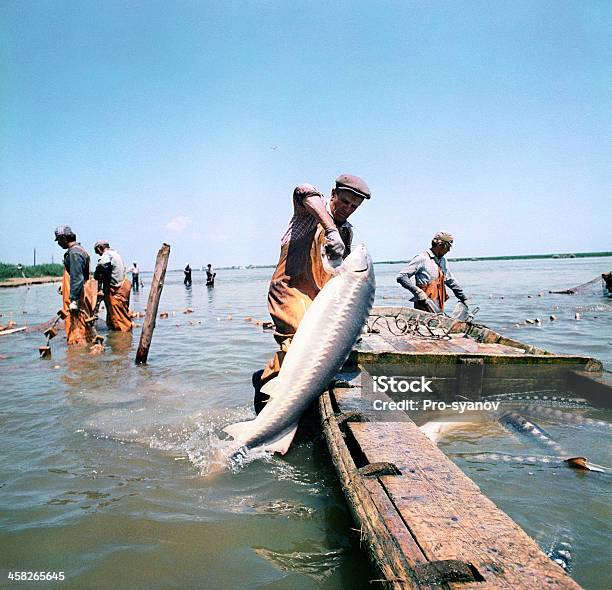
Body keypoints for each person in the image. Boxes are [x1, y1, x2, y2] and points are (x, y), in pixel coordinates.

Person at [254, 174, 371, 413]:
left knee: (324, 352)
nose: (348, 209)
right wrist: (330, 230)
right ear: (332, 194)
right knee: (297, 347)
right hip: (290, 291)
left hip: (321, 297)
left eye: (354, 206)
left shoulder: (347, 232)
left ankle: (294, 405)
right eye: (345, 201)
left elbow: (343, 277)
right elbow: (303, 190)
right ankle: (264, 400)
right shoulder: (308, 211)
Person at [396, 231, 468, 313]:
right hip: (423, 305)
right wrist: (417, 292)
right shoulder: (422, 258)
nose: (448, 250)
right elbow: (402, 277)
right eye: (448, 247)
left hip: (439, 305)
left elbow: (450, 280)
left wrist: (463, 297)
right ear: (440, 245)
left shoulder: (443, 260)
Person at [54, 225, 98, 344]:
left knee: (77, 330)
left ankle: (78, 358)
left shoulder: (74, 253)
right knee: (83, 327)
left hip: (78, 296)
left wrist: (74, 300)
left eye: (58, 240)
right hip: (80, 292)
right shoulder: (79, 250)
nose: (58, 243)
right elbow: (75, 275)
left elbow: (77, 277)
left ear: (64, 238)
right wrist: (63, 286)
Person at [93, 241, 132, 332]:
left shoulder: (107, 255)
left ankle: (122, 342)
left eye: (97, 252)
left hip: (116, 290)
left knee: (120, 320)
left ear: (100, 248)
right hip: (122, 288)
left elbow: (102, 265)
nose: (98, 254)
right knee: (119, 315)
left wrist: (97, 275)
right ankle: (119, 339)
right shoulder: (116, 254)